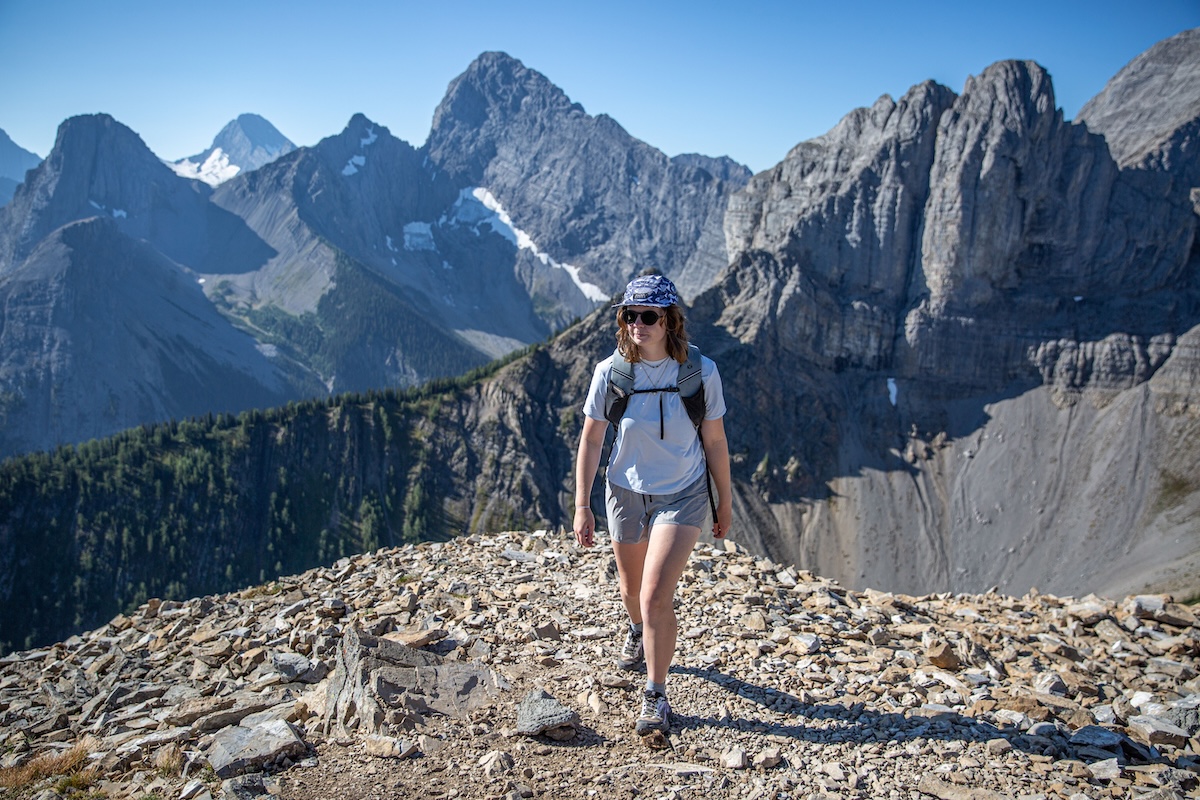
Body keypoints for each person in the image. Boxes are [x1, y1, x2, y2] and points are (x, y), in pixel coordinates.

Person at [573, 273, 732, 735]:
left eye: (649, 316)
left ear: (669, 320)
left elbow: (716, 439)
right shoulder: (611, 373)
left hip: (682, 493)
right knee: (631, 590)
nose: (638, 324)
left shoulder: (701, 372)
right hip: (624, 490)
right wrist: (582, 505)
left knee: (656, 593)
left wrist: (725, 500)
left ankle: (656, 695)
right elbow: (591, 438)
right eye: (630, 315)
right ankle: (637, 630)